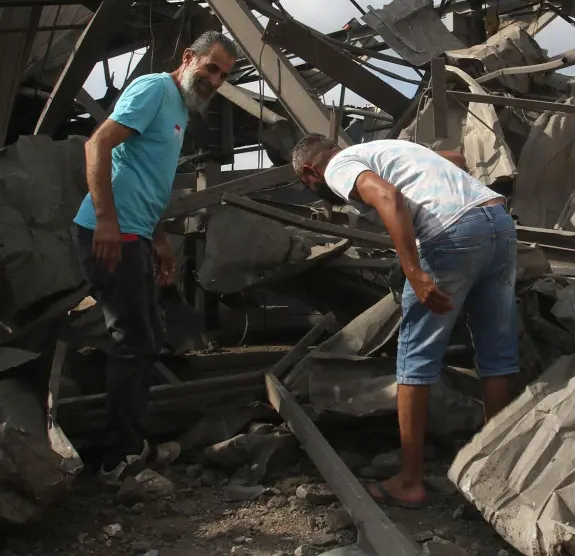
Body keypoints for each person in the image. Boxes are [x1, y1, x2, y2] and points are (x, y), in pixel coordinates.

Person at [291, 134, 519, 509]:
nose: (321, 191)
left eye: (310, 186)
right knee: (497, 354)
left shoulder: (338, 166)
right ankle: (498, 471)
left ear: (309, 171)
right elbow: (457, 158)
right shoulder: (390, 148)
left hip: (452, 233)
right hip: (496, 220)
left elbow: (387, 197)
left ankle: (409, 481)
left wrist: (412, 270)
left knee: (415, 360)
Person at [74, 30, 238, 482]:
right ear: (188, 58)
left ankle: (131, 443)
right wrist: (107, 220)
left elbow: (149, 180)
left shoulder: (179, 109)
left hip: (135, 235)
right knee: (134, 340)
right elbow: (97, 144)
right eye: (211, 68)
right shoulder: (154, 89)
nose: (215, 80)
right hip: (110, 233)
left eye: (223, 75)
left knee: (147, 336)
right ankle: (115, 459)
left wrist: (159, 239)